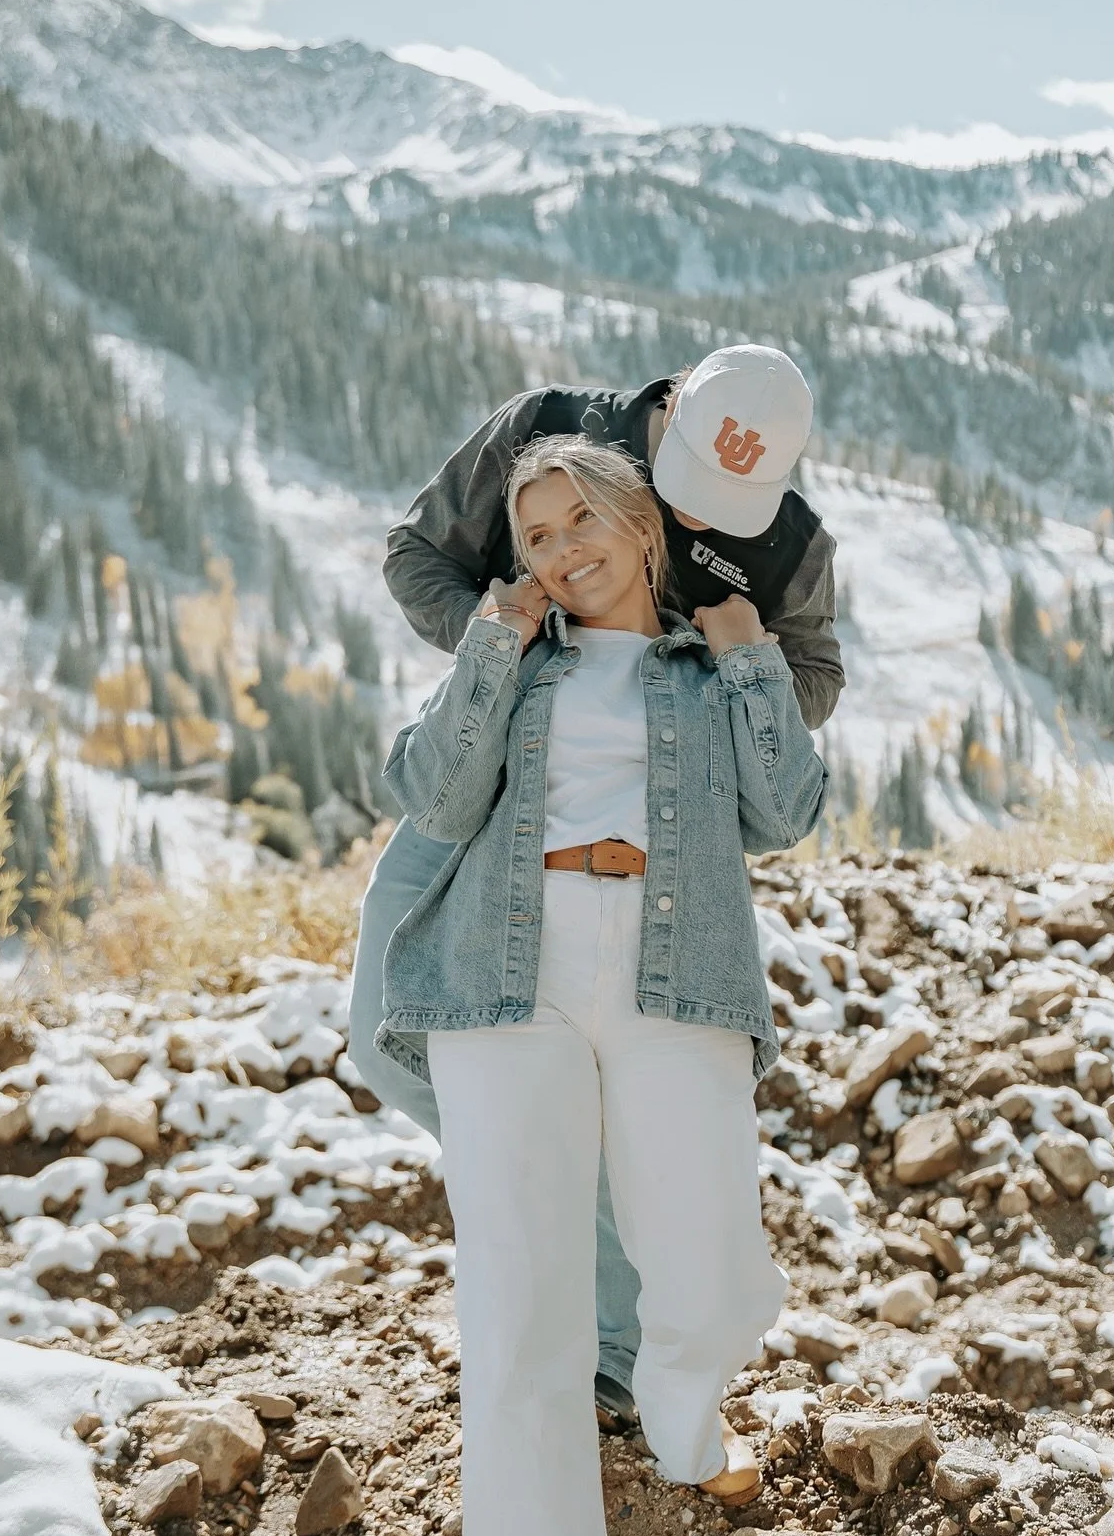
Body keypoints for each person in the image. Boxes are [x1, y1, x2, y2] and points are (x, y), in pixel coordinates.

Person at [375, 434, 828, 1536]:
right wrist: (490, 642)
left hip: (676, 970)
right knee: (521, 1323)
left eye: (582, 521)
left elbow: (788, 813)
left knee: (712, 1264)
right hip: (506, 977)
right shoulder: (518, 665)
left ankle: (685, 1413)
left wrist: (753, 666)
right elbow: (431, 796)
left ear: (642, 529)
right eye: (535, 535)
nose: (563, 550)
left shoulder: (703, 666)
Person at [348, 344, 842, 1426]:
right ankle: (574, 1235)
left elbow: (816, 673)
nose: (701, 521)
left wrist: (709, 681)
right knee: (385, 1036)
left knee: (629, 1086)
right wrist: (520, 650)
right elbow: (413, 554)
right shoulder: (551, 426)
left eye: (731, 508)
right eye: (686, 490)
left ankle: (609, 1341)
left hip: (652, 841)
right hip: (497, 773)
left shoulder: (791, 541)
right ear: (666, 419)